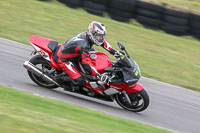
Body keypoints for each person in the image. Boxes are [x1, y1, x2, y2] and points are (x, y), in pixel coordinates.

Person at [53, 21, 122, 89]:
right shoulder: (84, 46)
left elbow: (103, 42)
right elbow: (86, 64)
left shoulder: (87, 36)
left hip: (73, 53)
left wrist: (114, 51)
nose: (100, 38)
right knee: (80, 80)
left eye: (102, 36)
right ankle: (58, 80)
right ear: (92, 33)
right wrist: (98, 75)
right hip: (63, 60)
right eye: (99, 36)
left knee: (94, 53)